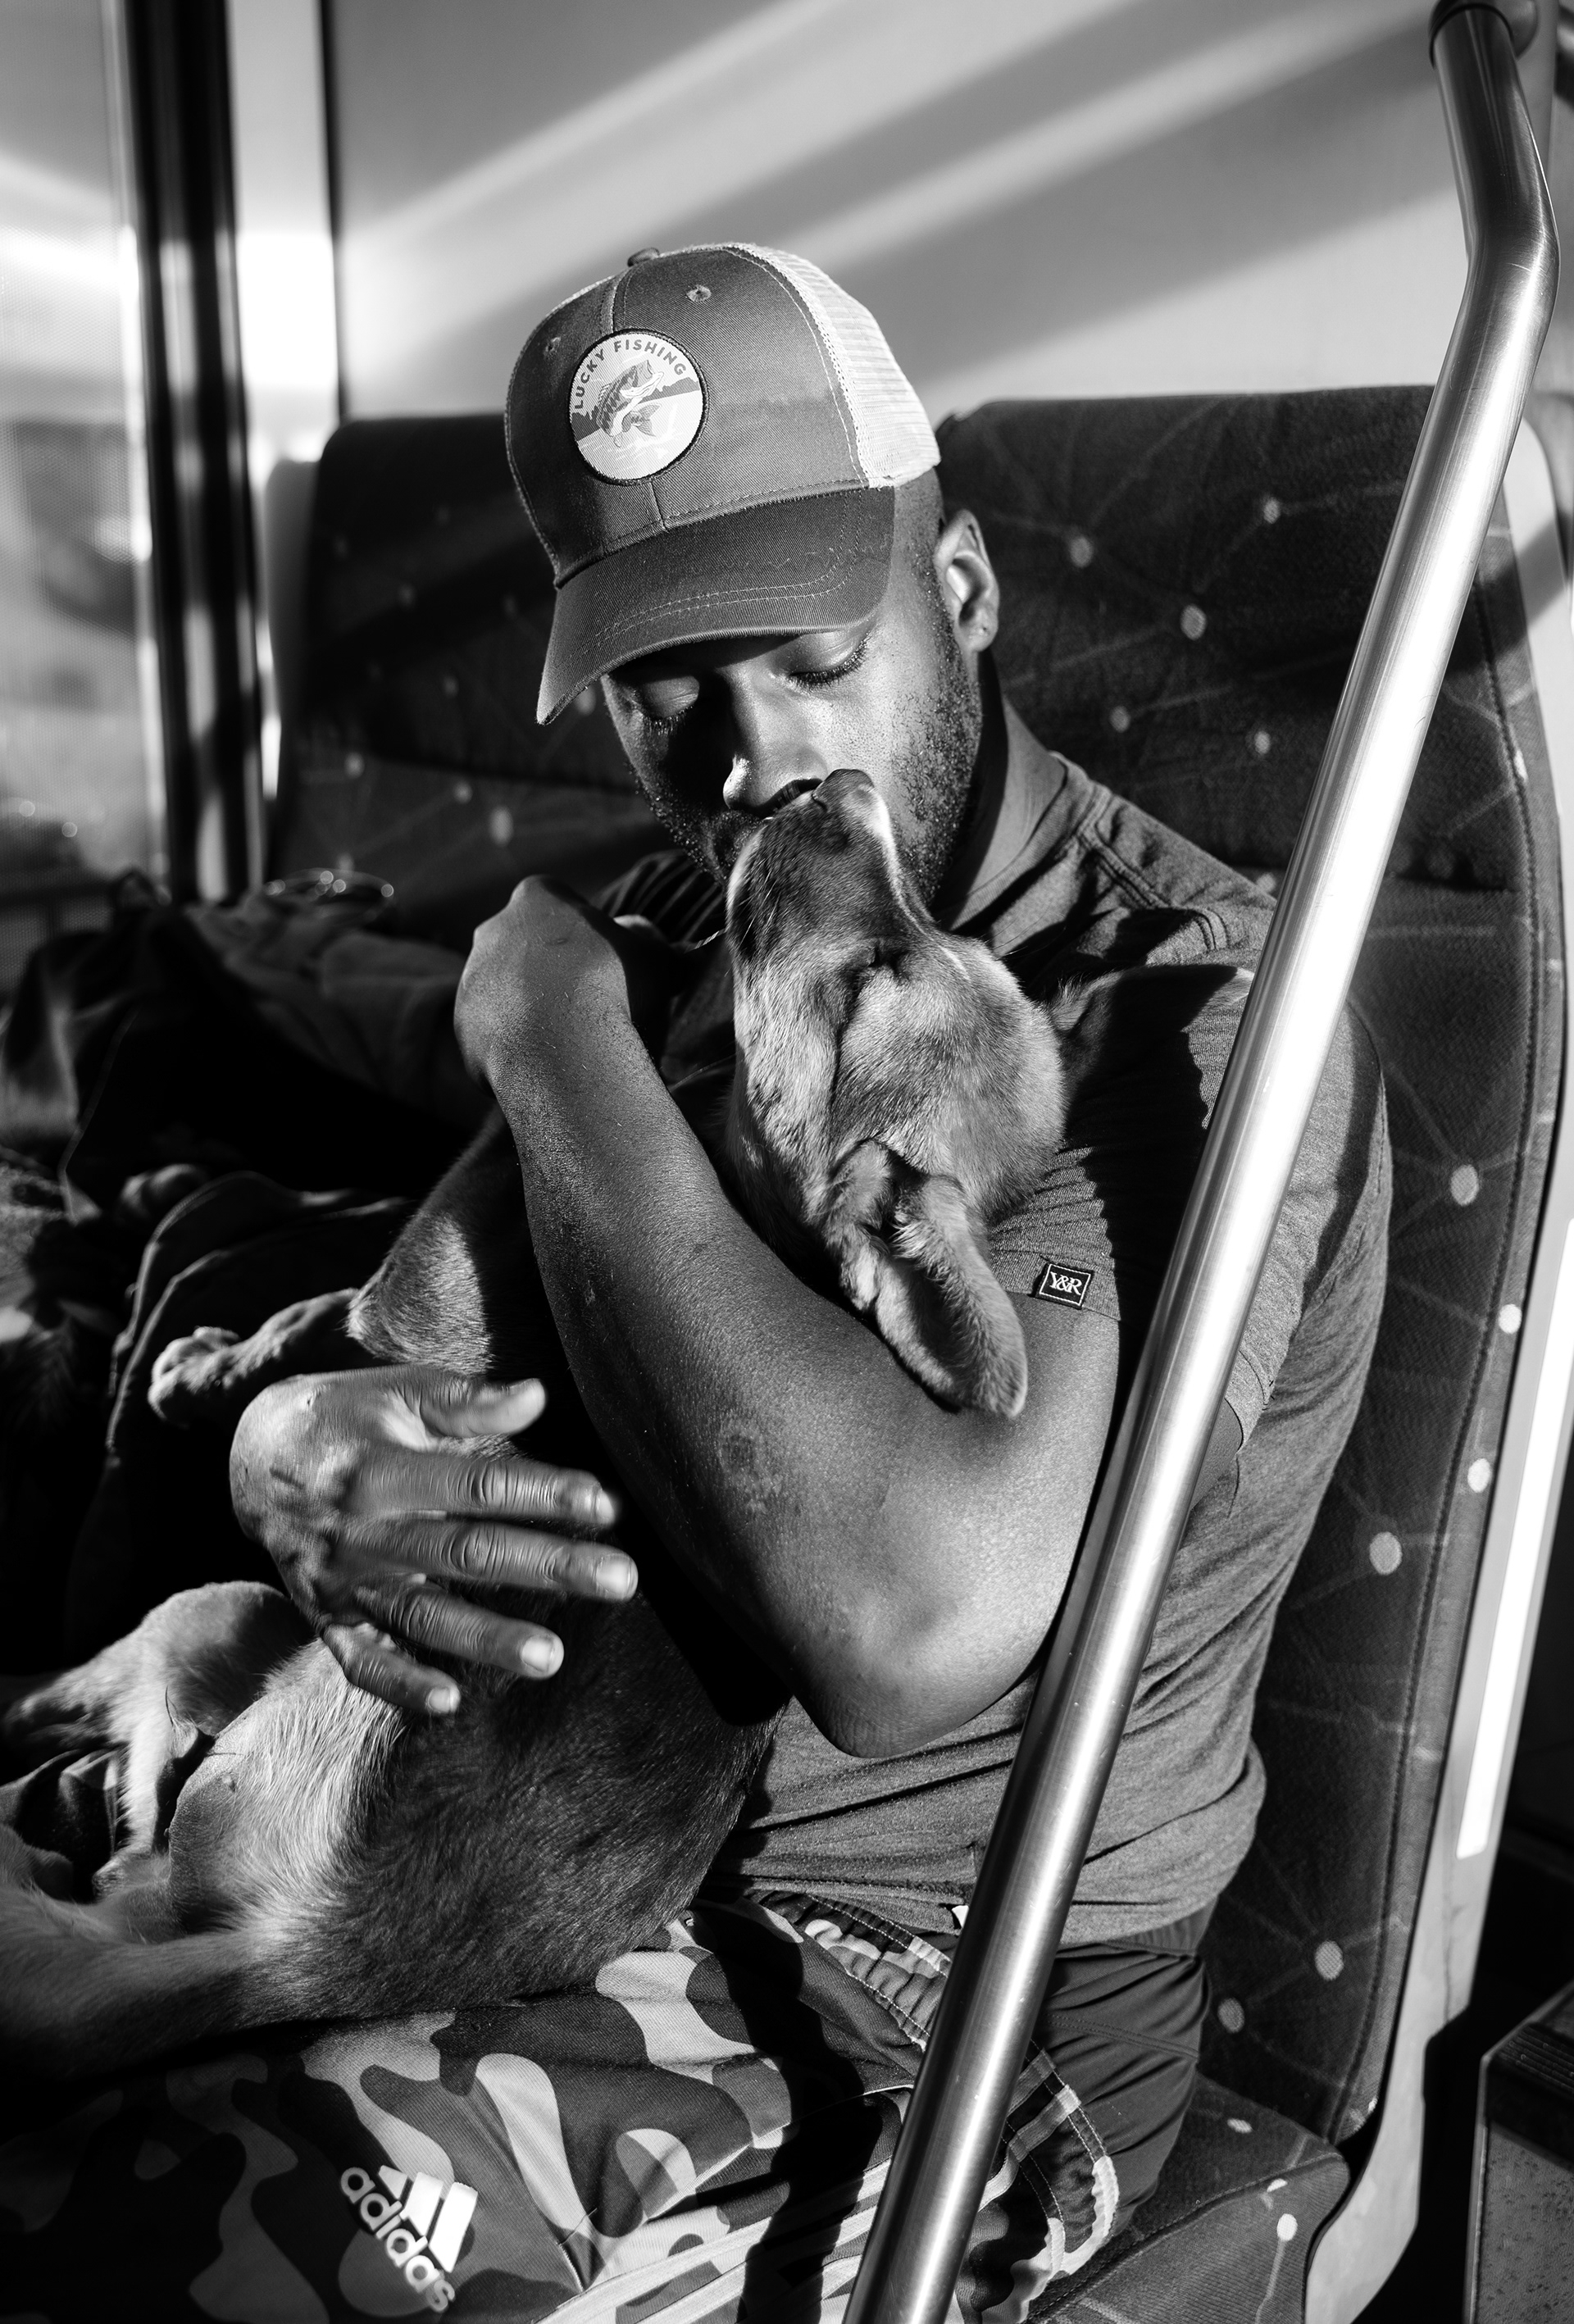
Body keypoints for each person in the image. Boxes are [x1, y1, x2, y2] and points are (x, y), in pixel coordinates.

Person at [213, 245, 1389, 2308]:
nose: (750, 755)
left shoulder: (1200, 1018)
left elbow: (909, 1617)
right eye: (666, 684)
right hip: (545, 1851)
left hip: (928, 1996)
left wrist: (547, 1034)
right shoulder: (691, 946)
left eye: (807, 654)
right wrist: (281, 1442)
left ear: (962, 597)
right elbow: (415, 1335)